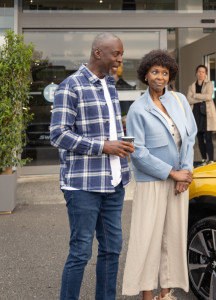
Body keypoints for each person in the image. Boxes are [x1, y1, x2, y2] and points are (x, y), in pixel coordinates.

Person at [50, 32, 134, 300]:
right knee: (81, 251)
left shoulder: (109, 84)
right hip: (82, 185)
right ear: (98, 53)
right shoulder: (70, 86)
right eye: (116, 53)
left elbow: (110, 129)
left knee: (112, 249)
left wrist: (121, 145)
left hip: (113, 181)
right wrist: (103, 146)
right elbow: (58, 134)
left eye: (121, 54)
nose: (120, 58)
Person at [122, 49, 197, 300]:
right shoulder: (137, 109)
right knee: (148, 240)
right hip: (152, 182)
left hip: (179, 182)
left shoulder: (179, 101)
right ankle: (146, 295)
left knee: (173, 238)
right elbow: (137, 152)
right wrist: (172, 173)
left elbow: (189, 137)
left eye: (165, 73)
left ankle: (166, 293)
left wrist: (185, 173)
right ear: (145, 74)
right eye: (155, 72)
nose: (160, 77)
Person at [187, 65, 216, 165]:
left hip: (207, 114)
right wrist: (202, 98)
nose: (201, 74)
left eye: (203, 72)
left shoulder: (209, 84)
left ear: (205, 74)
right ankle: (203, 158)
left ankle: (211, 159)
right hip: (196, 113)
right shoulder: (191, 86)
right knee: (200, 138)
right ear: (196, 73)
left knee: (208, 138)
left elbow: (209, 96)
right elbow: (189, 99)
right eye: (199, 71)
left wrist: (195, 96)